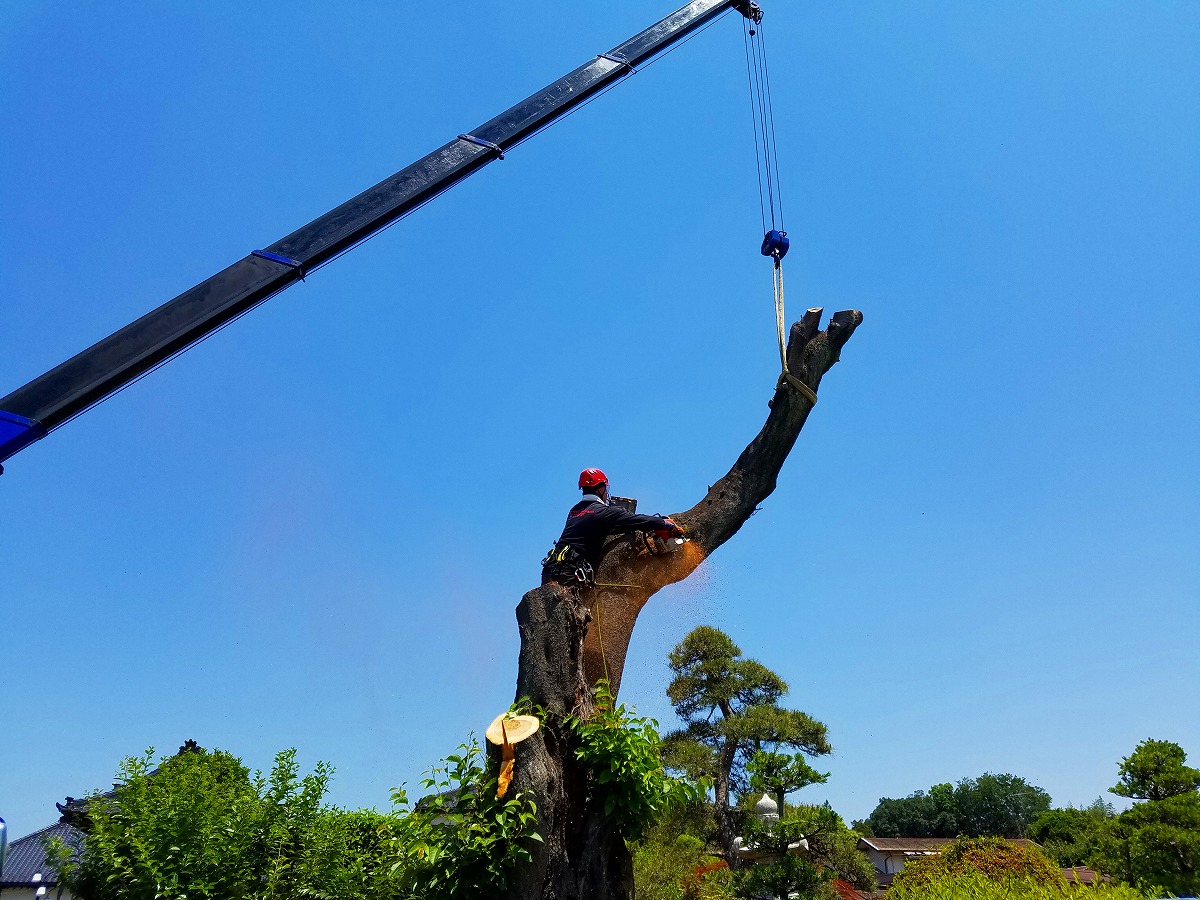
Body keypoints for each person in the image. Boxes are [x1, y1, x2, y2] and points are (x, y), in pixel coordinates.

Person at [541, 468, 683, 587]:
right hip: (570, 572)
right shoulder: (604, 511)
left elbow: (596, 529)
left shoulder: (574, 510)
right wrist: (665, 524)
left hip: (550, 570)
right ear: (601, 488)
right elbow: (637, 520)